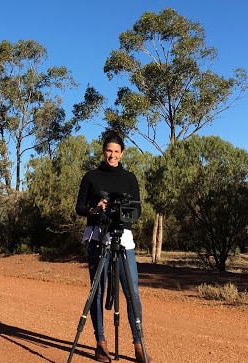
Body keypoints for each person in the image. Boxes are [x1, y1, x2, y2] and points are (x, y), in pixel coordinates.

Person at [75, 131, 151, 363]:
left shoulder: (129, 177)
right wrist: (96, 208)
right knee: (97, 291)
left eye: (117, 151)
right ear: (103, 151)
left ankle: (139, 344)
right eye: (109, 150)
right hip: (98, 238)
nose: (113, 155)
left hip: (123, 239)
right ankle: (101, 344)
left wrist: (122, 212)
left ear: (122, 153)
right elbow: (79, 207)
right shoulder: (91, 177)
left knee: (132, 292)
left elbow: (136, 211)